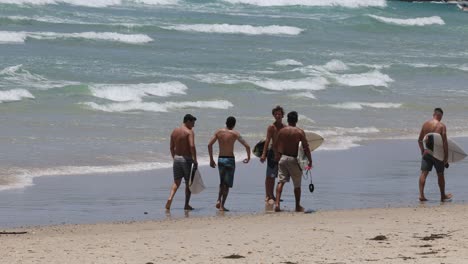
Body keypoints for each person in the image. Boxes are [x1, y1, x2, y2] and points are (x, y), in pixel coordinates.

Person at [208, 116, 250, 211]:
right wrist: (248, 157)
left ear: (226, 123)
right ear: (234, 124)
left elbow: (209, 144)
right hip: (230, 160)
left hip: (221, 159)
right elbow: (247, 146)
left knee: (222, 182)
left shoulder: (218, 132)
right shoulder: (235, 133)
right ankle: (222, 205)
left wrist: (211, 159)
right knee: (227, 184)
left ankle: (218, 199)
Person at [274, 111, 312, 212]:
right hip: (294, 160)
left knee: (280, 182)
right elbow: (306, 147)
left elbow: (277, 145)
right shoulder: (299, 132)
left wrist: (277, 156)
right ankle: (297, 206)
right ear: (296, 120)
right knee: (297, 185)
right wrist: (310, 161)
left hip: (283, 158)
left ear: (287, 120)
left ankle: (277, 204)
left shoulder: (282, 131)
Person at [418, 108, 452, 202]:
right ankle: (442, 196)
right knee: (440, 174)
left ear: (434, 114)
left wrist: (422, 150)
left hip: (427, 152)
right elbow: (444, 142)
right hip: (438, 153)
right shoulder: (441, 126)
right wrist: (446, 156)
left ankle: (421, 195)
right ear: (440, 115)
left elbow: (419, 140)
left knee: (424, 173)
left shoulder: (425, 124)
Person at [165, 114, 198, 211]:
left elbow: (171, 147)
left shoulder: (174, 131)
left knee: (176, 181)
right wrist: (195, 159)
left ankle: (170, 197)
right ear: (187, 121)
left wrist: (174, 158)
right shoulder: (189, 132)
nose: (193, 125)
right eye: (192, 122)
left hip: (177, 159)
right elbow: (192, 146)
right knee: (189, 183)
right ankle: (186, 205)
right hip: (186, 159)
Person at [260, 105, 285, 203]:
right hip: (271, 153)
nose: (278, 116)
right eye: (276, 114)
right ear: (274, 116)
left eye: (279, 114)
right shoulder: (272, 127)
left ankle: (272, 196)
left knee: (275, 176)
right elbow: (267, 141)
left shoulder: (285, 127)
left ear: (283, 115)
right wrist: (263, 154)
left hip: (281, 153)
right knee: (269, 175)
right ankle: (267, 195)